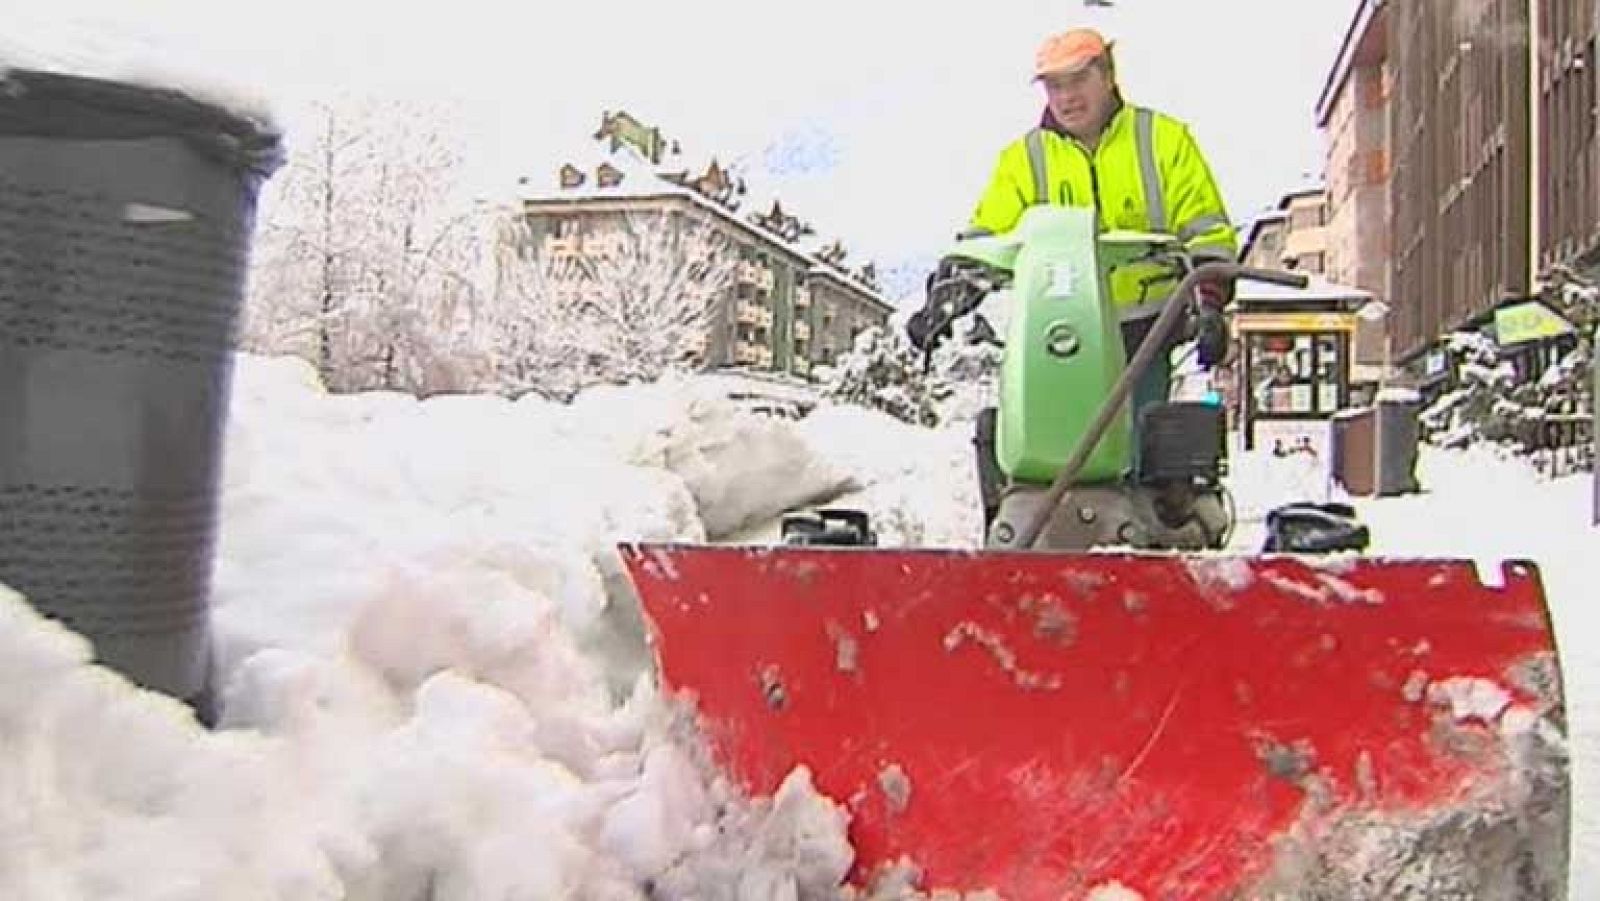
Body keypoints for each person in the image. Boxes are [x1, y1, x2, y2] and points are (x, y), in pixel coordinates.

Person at [909, 26, 1240, 526]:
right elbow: (983, 238)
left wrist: (1210, 300)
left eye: (1077, 81)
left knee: (1135, 447)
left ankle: (1151, 523)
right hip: (1056, 331)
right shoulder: (1026, 159)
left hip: (1144, 327)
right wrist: (945, 297)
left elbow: (1206, 230)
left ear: (1107, 76)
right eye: (1054, 86)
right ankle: (1023, 524)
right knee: (1039, 443)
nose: (1066, 96)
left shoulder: (1162, 141)